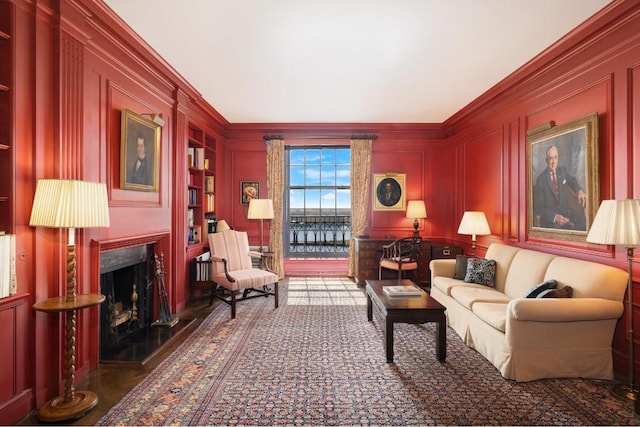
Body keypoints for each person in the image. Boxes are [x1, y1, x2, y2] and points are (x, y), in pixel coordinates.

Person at [533, 145, 586, 230]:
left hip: (566, 216)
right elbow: (539, 208)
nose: (553, 162)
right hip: (551, 221)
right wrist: (555, 217)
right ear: (546, 160)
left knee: (584, 224)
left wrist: (579, 190)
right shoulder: (541, 179)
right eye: (551, 158)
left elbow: (572, 181)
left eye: (555, 157)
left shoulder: (562, 171)